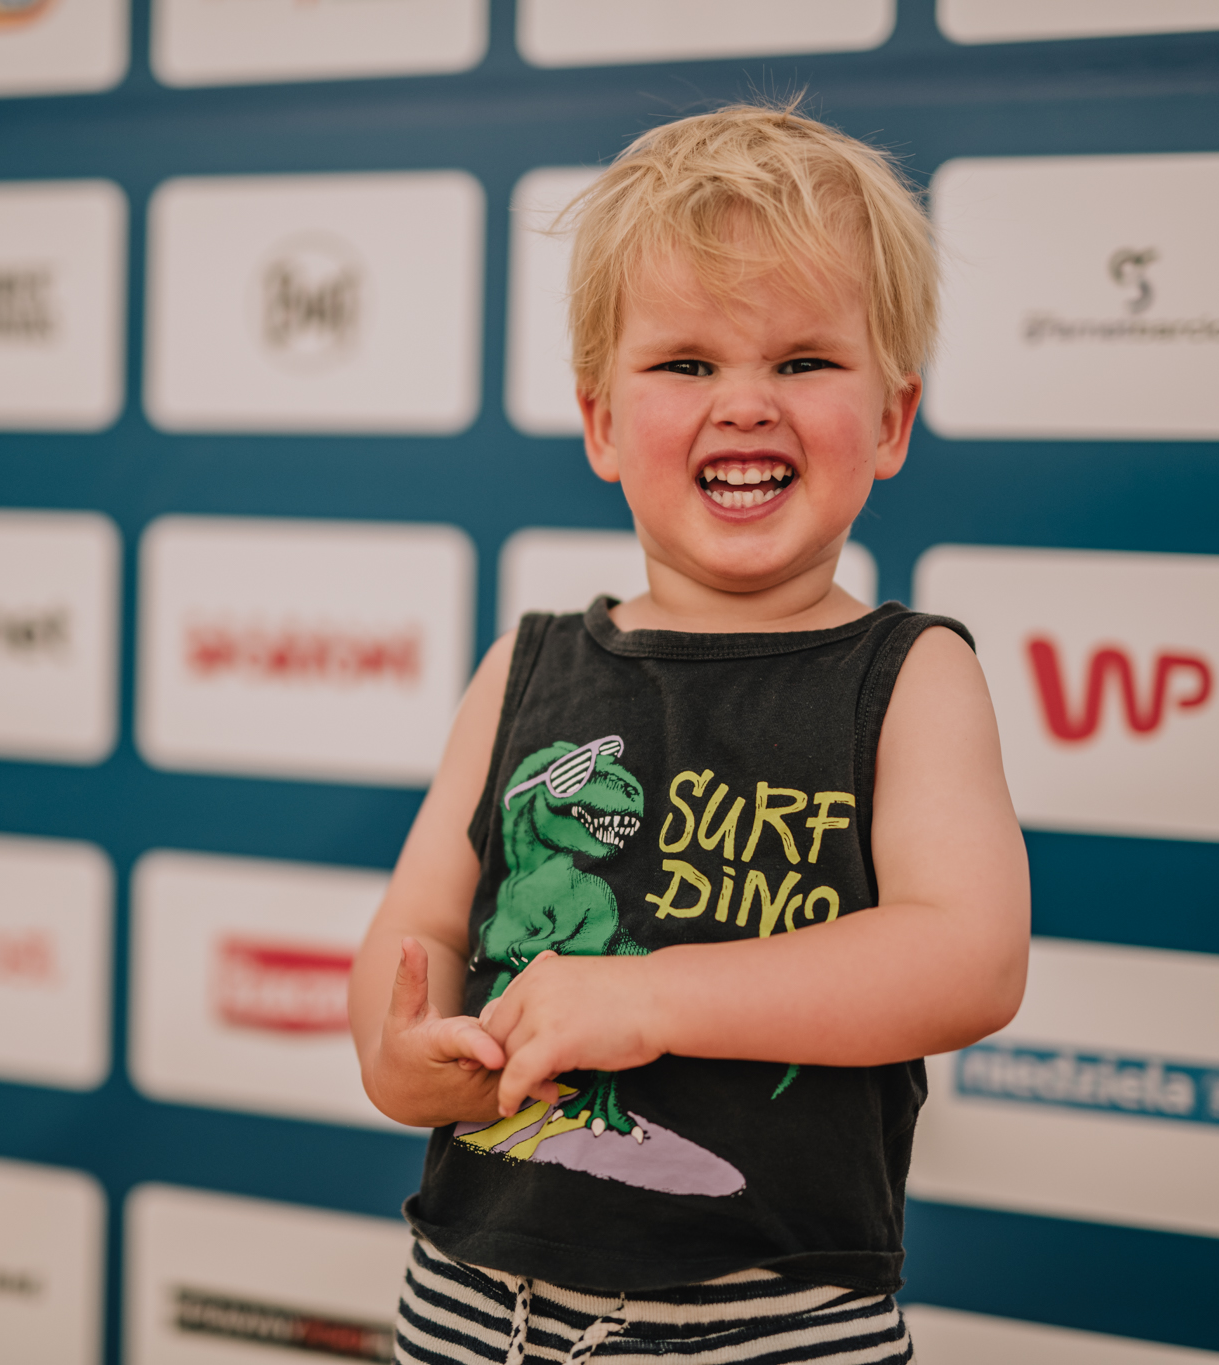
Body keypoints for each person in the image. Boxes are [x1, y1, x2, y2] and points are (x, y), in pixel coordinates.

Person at [349, 99, 1030, 1365]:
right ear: (602, 422)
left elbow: (968, 960)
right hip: (464, 1298)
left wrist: (651, 997)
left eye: (802, 362)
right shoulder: (521, 668)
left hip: (774, 1319)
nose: (745, 405)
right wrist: (402, 1058)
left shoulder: (909, 676)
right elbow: (419, 929)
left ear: (890, 420)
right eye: (686, 365)